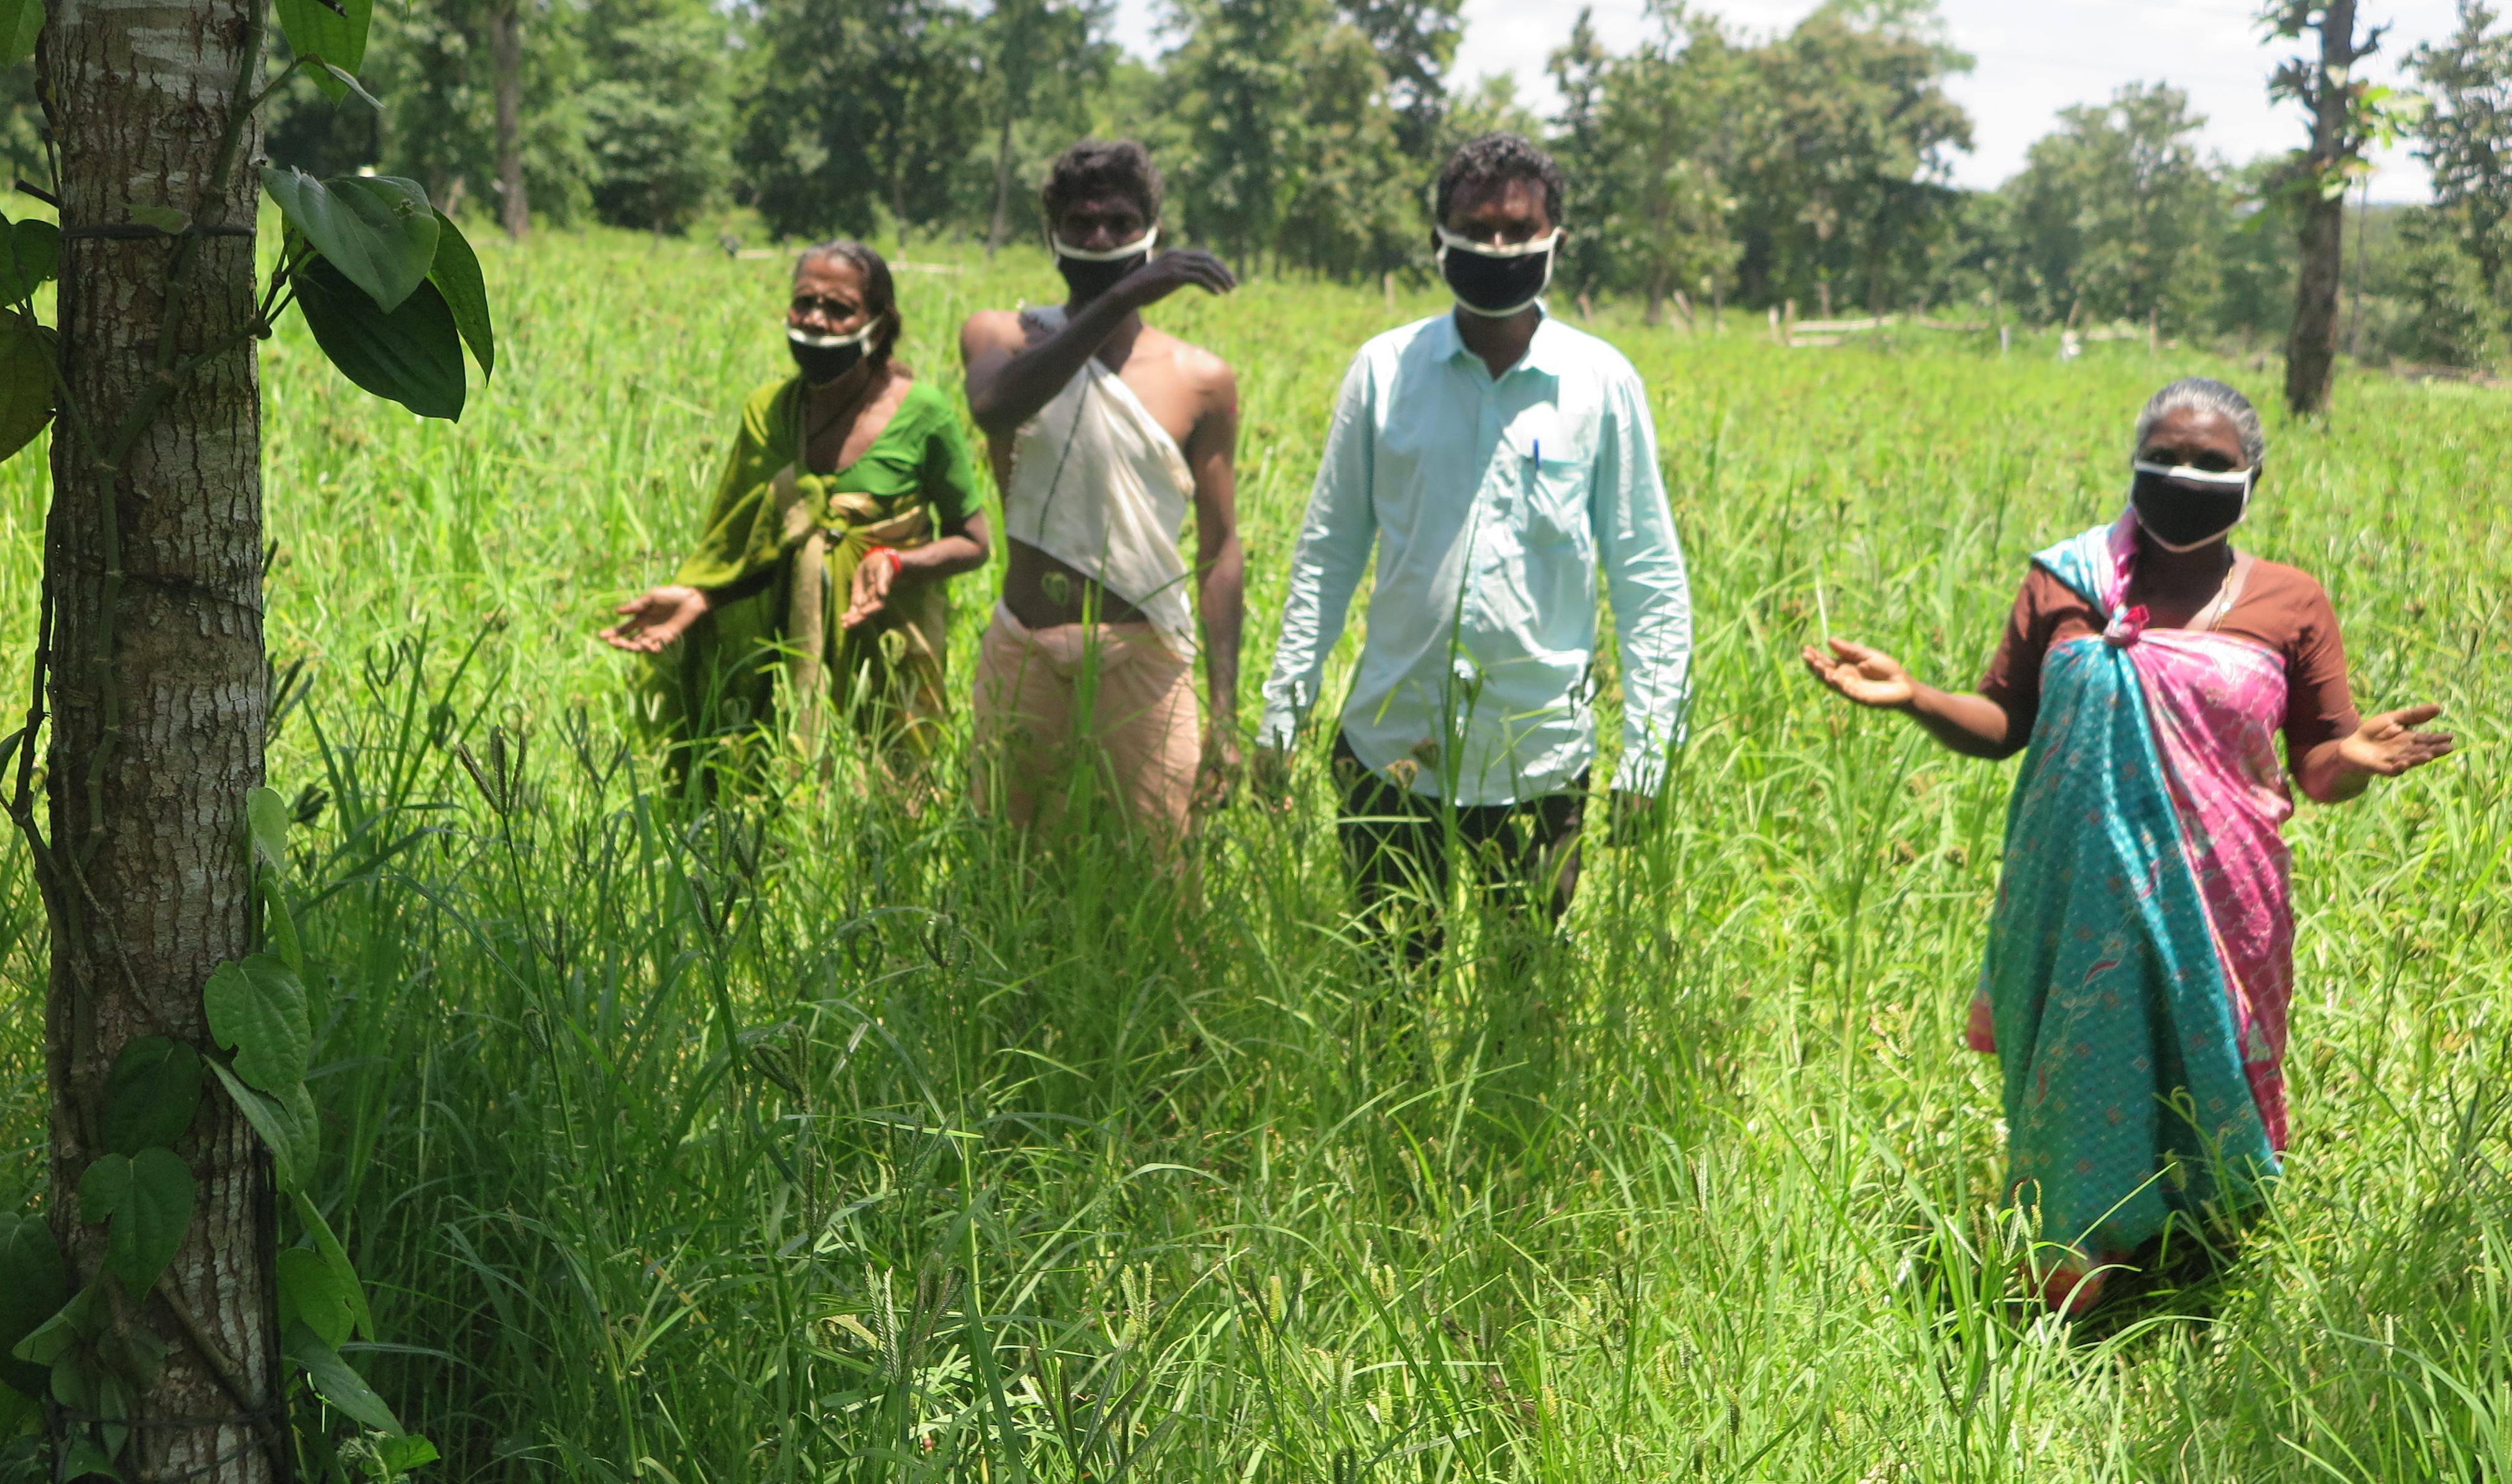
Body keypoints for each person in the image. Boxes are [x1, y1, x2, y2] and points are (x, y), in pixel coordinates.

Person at [1802, 378, 2455, 1311]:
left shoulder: (2289, 601)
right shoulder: (2066, 583)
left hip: (2223, 910)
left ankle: (2204, 1265)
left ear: (2252, 477)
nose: (2185, 474)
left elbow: (2316, 768)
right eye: (2168, 455)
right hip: (2078, 901)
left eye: (2212, 463)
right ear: (2133, 461)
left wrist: (2349, 757)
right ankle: (2075, 1281)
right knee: (2078, 1073)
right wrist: (1915, 696)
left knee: (2208, 1076)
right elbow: (2003, 721)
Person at [1254, 133, 1694, 974]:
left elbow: (1648, 576)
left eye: (1518, 229)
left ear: (1556, 239)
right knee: (1389, 987)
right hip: (1393, 749)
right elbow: (1328, 552)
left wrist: (1650, 748)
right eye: (1476, 227)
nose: (1498, 248)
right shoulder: (1385, 371)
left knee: (1524, 998)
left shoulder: (1600, 384)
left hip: (1537, 759)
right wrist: (1287, 705)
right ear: (1438, 240)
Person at [605, 240, 991, 771]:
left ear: (877, 327)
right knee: (771, 793)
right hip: (778, 663)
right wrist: (701, 595)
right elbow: (752, 546)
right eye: (804, 303)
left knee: (887, 799)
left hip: (885, 668)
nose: (815, 320)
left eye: (839, 309)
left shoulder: (923, 413)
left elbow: (973, 542)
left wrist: (895, 562)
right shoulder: (769, 414)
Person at [958, 140, 1243, 854]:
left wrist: (1226, 714)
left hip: (1144, 659)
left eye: (1119, 223)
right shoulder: (1001, 334)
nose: (1099, 239)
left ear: (1150, 233)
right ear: (1050, 238)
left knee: (1162, 877)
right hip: (1023, 648)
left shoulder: (1199, 378)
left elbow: (1219, 549)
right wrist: (1121, 296)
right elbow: (994, 407)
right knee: (1006, 867)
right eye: (1081, 223)